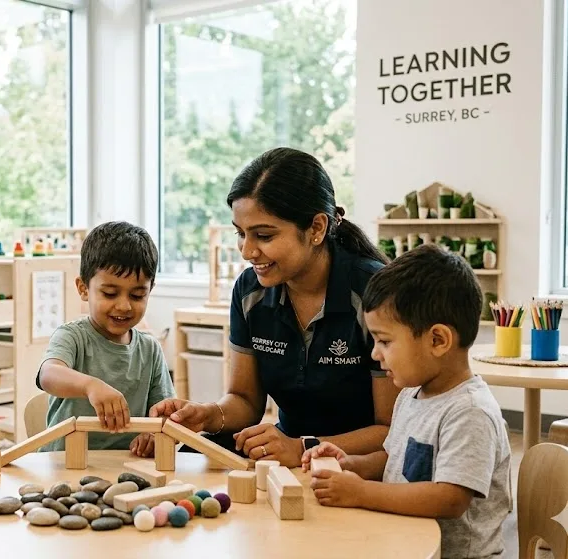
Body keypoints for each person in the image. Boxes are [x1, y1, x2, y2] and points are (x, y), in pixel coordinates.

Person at [148, 147, 399, 466]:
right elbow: (245, 401)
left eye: (263, 235)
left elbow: (392, 430)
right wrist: (208, 415)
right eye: (241, 234)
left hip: (361, 469)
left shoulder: (374, 293)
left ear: (317, 229)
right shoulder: (249, 292)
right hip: (288, 460)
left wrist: (304, 447)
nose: (247, 251)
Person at [304, 244, 512, 559]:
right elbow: (394, 460)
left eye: (385, 341)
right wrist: (349, 465)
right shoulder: (411, 394)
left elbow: (450, 498)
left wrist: (361, 492)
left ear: (438, 340)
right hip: (404, 543)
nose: (374, 354)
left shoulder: (469, 412)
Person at [36, 221, 175, 453]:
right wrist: (90, 386)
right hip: (66, 464)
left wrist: (154, 435)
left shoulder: (150, 349)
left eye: (137, 295)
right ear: (83, 289)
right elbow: (48, 375)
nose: (124, 306)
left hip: (127, 467)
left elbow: (164, 415)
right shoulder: (72, 336)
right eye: (109, 293)